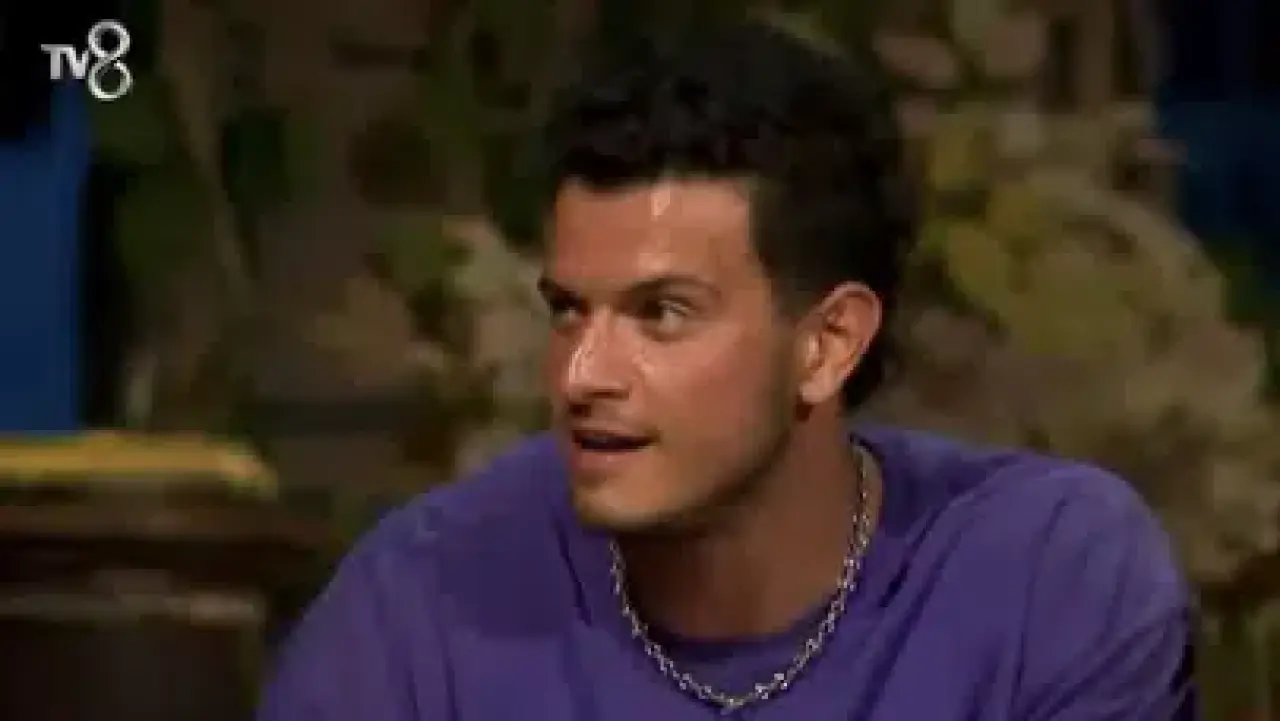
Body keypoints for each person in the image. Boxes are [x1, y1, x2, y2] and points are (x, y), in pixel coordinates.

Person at [257, 20, 1195, 720]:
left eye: (661, 314)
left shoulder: (1047, 577)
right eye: (569, 309)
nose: (582, 374)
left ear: (828, 344)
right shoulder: (424, 602)